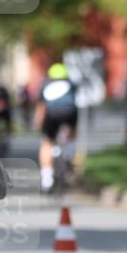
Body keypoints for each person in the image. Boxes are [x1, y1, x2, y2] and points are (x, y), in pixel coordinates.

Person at [37, 62, 78, 192]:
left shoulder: (45, 85)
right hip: (70, 112)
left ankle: (46, 178)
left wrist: (39, 122)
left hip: (52, 114)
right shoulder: (71, 85)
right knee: (72, 133)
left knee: (47, 142)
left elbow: (41, 107)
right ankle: (69, 154)